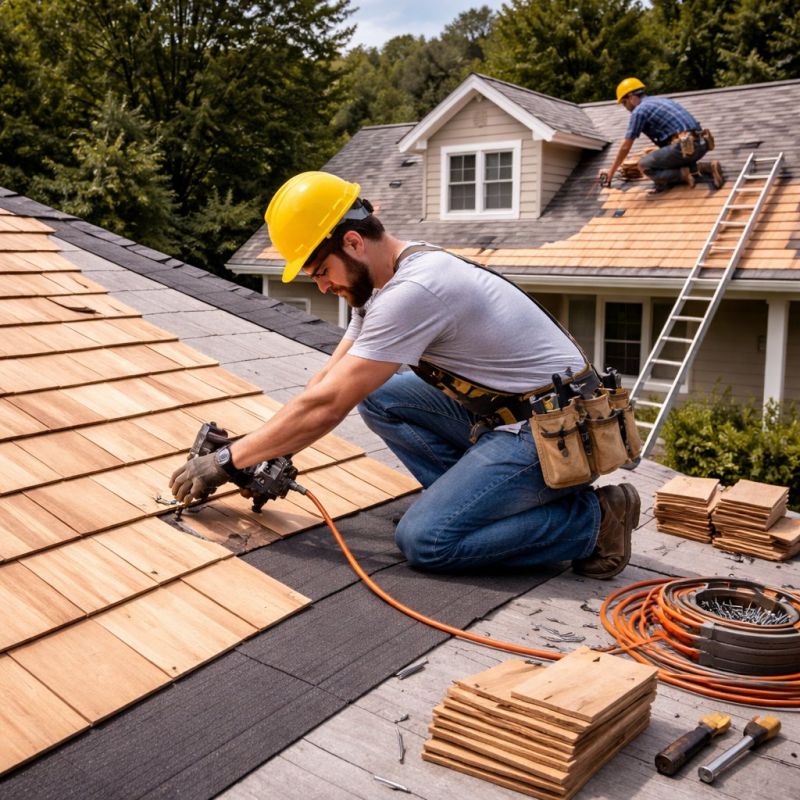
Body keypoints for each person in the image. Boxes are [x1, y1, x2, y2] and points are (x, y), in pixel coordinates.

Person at [170, 171, 640, 579]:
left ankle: (594, 521)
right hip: (517, 417)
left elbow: (327, 407)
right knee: (381, 395)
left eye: (321, 270)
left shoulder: (415, 290)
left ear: (352, 242)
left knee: (427, 542)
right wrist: (261, 449)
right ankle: (475, 505)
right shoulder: (380, 285)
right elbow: (327, 386)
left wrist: (224, 463)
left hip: (554, 436)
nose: (322, 284)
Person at [600, 77, 724, 194]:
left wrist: (611, 173)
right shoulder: (661, 100)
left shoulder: (639, 111)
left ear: (632, 97)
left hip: (685, 149)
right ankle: (708, 167)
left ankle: (682, 175)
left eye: (624, 103)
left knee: (644, 165)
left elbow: (625, 147)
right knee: (664, 157)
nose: (626, 108)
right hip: (702, 144)